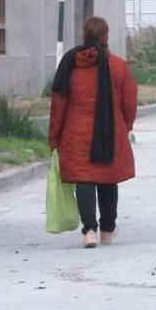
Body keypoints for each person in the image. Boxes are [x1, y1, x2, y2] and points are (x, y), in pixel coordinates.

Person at [49, 16, 138, 248]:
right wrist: (125, 126)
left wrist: (55, 137)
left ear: (84, 37)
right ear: (107, 37)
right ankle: (108, 229)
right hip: (110, 132)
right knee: (108, 180)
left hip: (75, 134)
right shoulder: (118, 67)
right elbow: (130, 103)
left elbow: (59, 103)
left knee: (84, 181)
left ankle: (89, 231)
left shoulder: (70, 65)